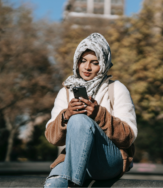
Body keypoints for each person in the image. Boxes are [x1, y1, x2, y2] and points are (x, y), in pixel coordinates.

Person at [44, 33, 137, 187]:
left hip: (108, 160)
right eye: (83, 61)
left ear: (104, 64)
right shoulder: (66, 91)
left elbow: (128, 137)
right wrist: (66, 115)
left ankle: (74, 185)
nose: (87, 67)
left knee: (80, 119)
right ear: (77, 62)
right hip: (76, 160)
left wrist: (98, 114)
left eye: (94, 63)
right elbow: (52, 138)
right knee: (53, 185)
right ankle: (72, 180)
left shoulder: (116, 89)